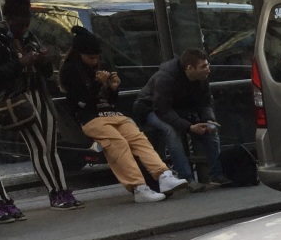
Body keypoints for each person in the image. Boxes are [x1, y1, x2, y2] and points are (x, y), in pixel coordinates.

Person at [58, 26, 187, 202]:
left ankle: (163, 175)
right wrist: (97, 84)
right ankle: (138, 187)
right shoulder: (70, 71)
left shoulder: (101, 66)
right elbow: (82, 101)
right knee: (117, 144)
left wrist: (113, 88)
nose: (95, 61)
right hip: (90, 118)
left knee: (138, 138)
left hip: (112, 113)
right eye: (91, 58)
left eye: (97, 57)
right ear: (79, 54)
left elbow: (111, 101)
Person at [0, 0, 82, 210]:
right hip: (18, 98)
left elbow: (47, 73)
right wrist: (21, 62)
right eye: (19, 24)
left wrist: (44, 62)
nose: (23, 28)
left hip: (38, 93)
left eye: (26, 24)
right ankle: (55, 191)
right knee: (38, 145)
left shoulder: (29, 36)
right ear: (8, 19)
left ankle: (62, 188)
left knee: (50, 145)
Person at [136, 49, 230, 189]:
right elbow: (163, 109)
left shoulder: (201, 78)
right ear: (190, 68)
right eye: (203, 67)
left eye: (208, 65)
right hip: (151, 109)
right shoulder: (166, 78)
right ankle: (187, 178)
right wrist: (189, 127)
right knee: (171, 131)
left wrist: (209, 119)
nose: (208, 70)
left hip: (179, 110)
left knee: (211, 132)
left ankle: (217, 174)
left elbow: (205, 103)